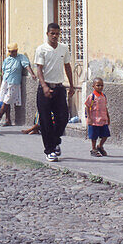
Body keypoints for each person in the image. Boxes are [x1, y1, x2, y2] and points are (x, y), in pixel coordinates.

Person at [34, 23, 77, 162]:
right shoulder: (41, 49)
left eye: (57, 34)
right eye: (52, 33)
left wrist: (71, 85)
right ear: (47, 34)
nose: (55, 36)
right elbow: (39, 69)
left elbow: (67, 66)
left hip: (59, 88)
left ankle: (55, 140)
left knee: (63, 117)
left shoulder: (63, 48)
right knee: (45, 121)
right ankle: (50, 150)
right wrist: (44, 86)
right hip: (45, 89)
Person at [0, 43, 32, 127]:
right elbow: (3, 70)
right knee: (6, 101)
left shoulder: (21, 57)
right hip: (6, 81)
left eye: (14, 51)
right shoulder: (7, 59)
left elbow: (26, 65)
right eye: (11, 52)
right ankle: (7, 119)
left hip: (14, 82)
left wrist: (32, 74)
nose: (12, 53)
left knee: (7, 100)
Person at [85, 78, 110, 157]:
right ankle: (93, 149)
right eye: (98, 85)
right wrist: (89, 118)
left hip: (103, 119)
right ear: (93, 86)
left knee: (105, 135)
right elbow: (87, 107)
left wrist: (108, 117)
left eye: (102, 85)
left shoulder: (103, 96)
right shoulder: (92, 96)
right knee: (94, 136)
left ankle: (100, 146)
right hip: (94, 120)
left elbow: (105, 108)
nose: (100, 87)